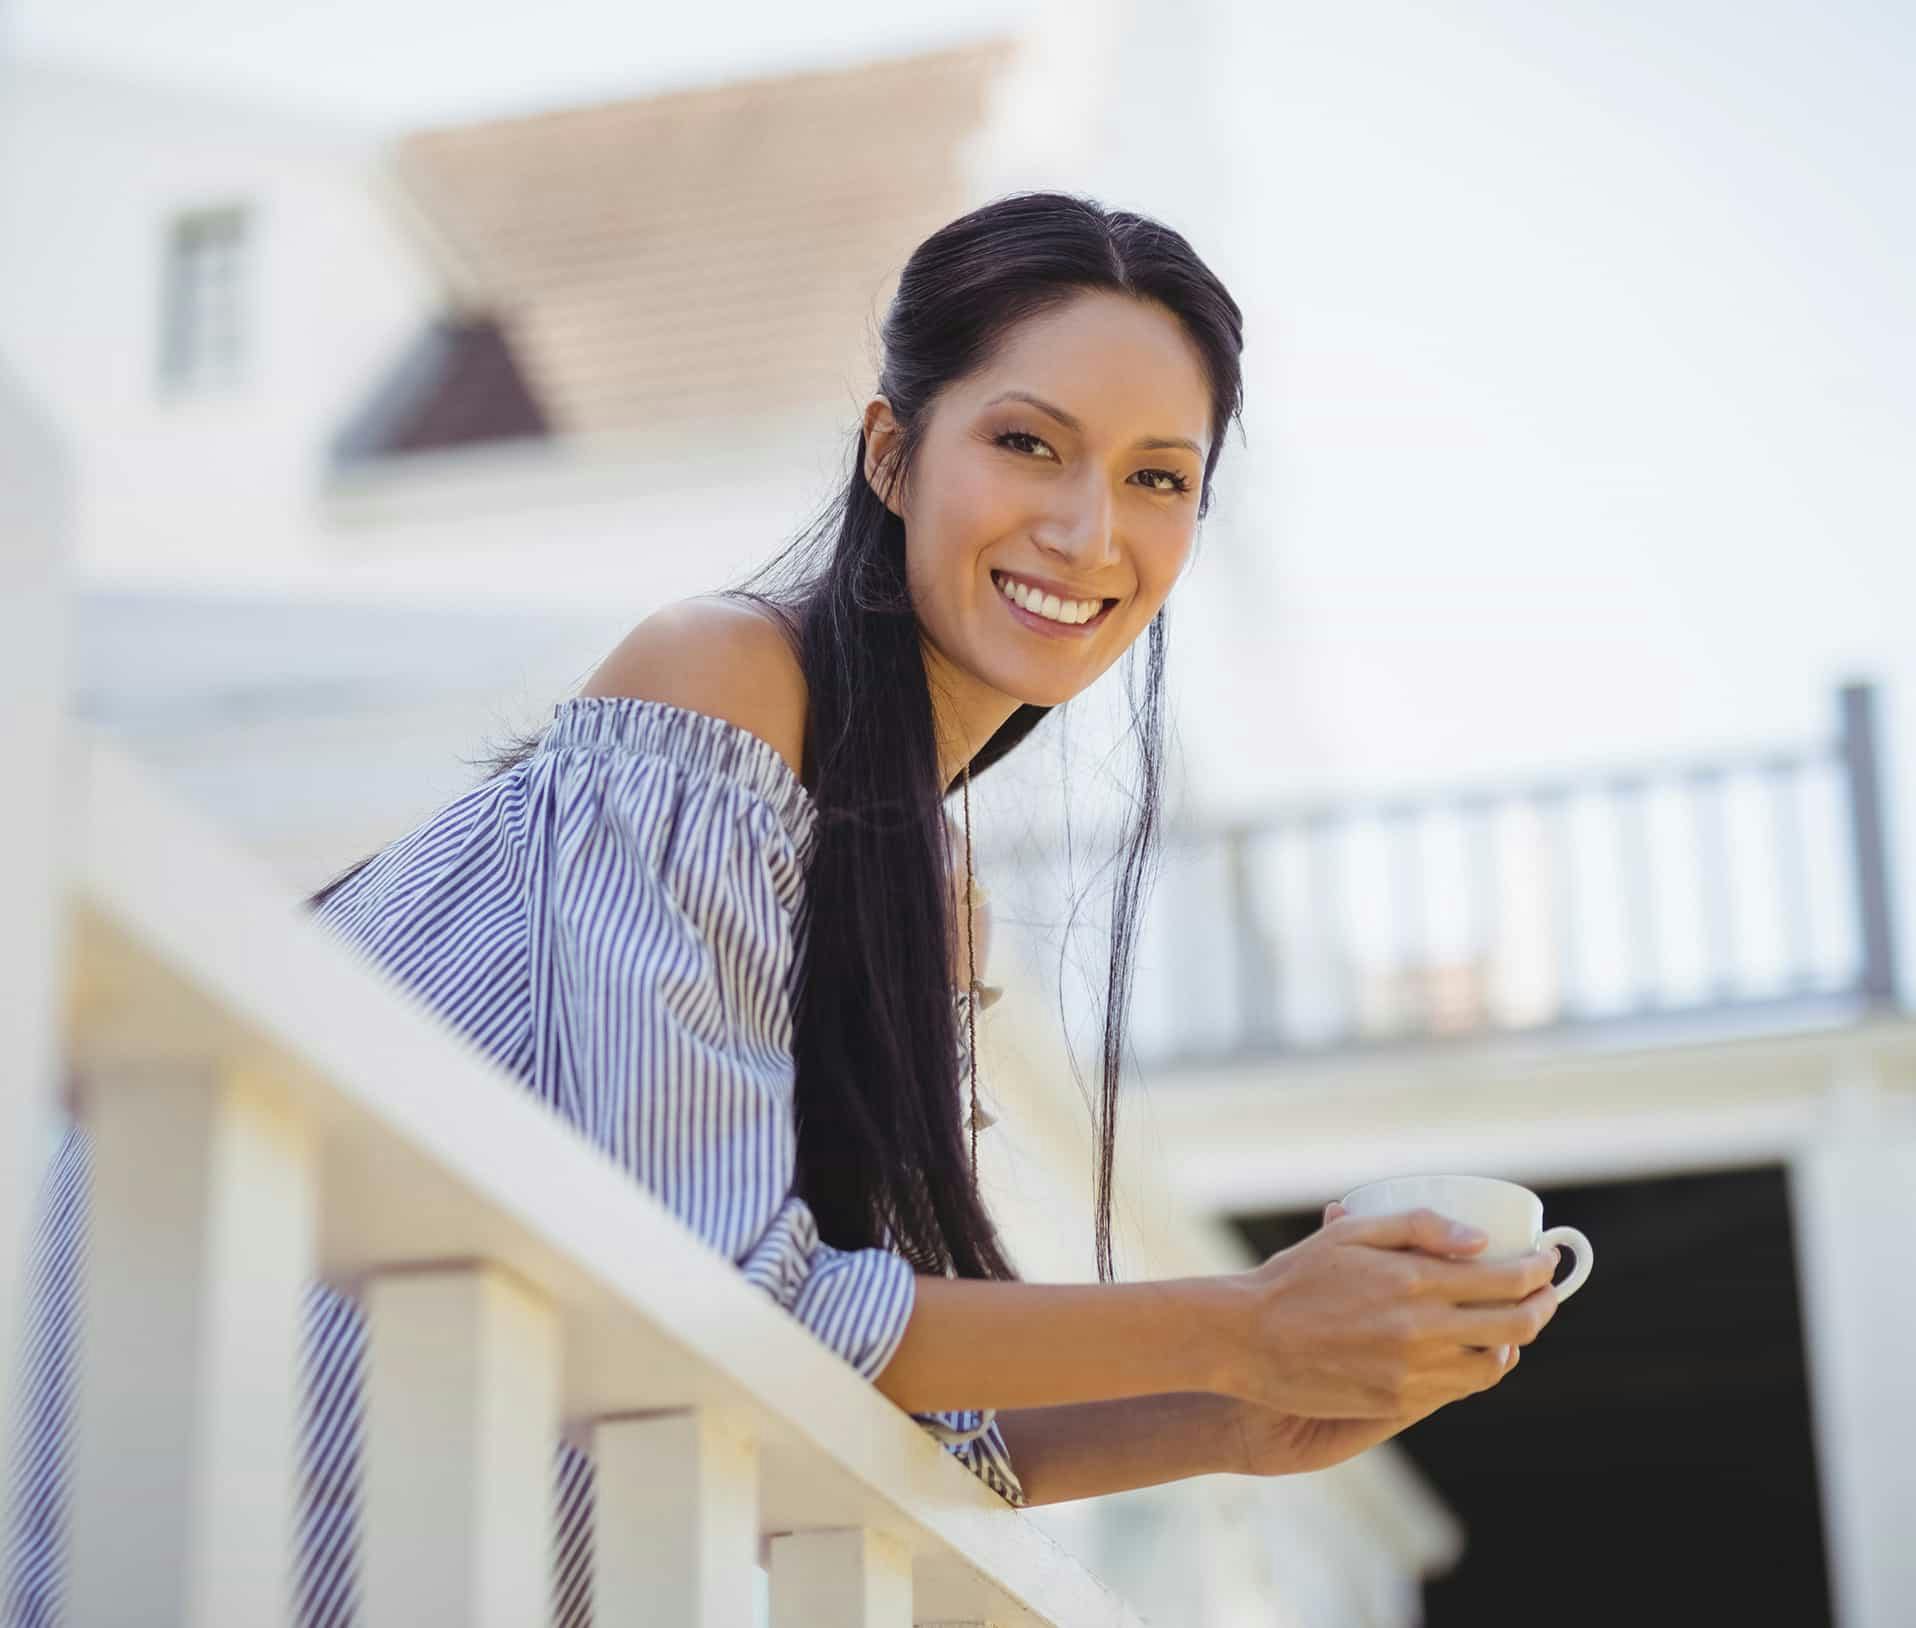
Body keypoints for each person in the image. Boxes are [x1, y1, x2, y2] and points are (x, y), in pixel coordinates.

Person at [5, 190, 1560, 1626]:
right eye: (1028, 444)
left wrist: (1246, 1417)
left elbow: (867, 1365)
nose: (1093, 532)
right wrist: (1241, 1321)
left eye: (1159, 478)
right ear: (892, 453)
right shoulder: (723, 680)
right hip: (239, 1520)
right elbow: (727, 1289)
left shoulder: (934, 892)